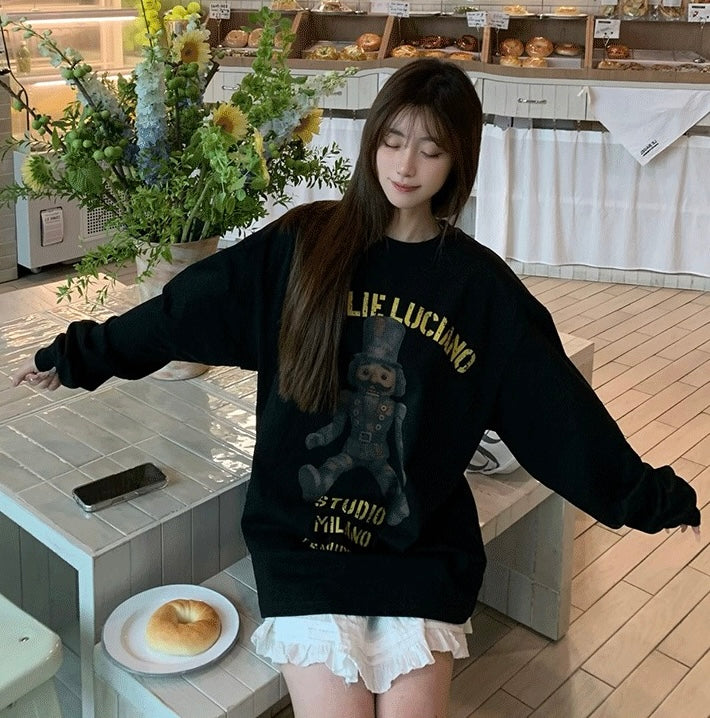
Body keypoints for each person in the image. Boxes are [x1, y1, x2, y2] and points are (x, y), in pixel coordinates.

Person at [12, 59, 700, 718]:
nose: (406, 165)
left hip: (419, 542)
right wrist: (77, 356)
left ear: (458, 159)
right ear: (372, 138)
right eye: (393, 140)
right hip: (303, 538)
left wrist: (646, 497)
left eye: (431, 149)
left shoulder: (479, 290)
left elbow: (556, 412)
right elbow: (183, 310)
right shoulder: (306, 244)